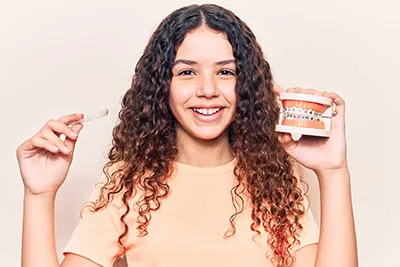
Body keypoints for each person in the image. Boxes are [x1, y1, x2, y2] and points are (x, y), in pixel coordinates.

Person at [16, 4, 357, 267]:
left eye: (225, 72)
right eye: (187, 72)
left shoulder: (278, 182)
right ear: (162, 85)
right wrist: (39, 195)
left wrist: (333, 172)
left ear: (247, 86)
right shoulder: (127, 184)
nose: (207, 89)